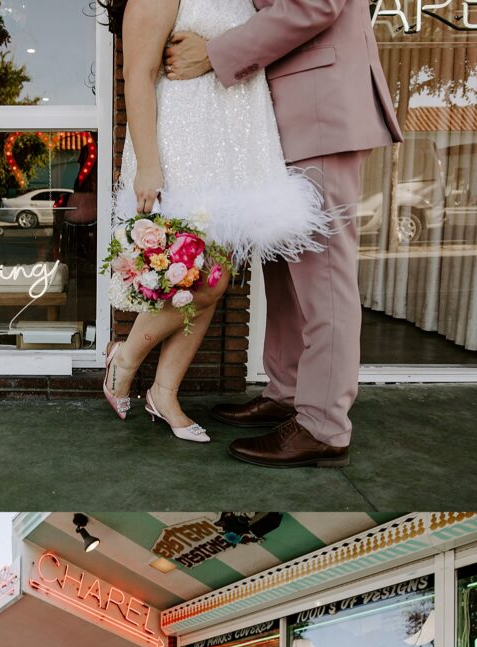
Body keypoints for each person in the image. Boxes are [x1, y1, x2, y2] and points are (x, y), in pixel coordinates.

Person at [164, 0, 402, 466]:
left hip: (319, 110)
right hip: (283, 119)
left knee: (323, 278)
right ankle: (289, 391)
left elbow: (315, 5)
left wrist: (214, 53)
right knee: (284, 272)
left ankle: (324, 427)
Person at [99, 0, 332, 442]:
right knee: (207, 280)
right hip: (180, 153)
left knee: (209, 275)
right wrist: (149, 165)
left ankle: (164, 393)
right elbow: (140, 76)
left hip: (228, 155)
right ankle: (125, 358)